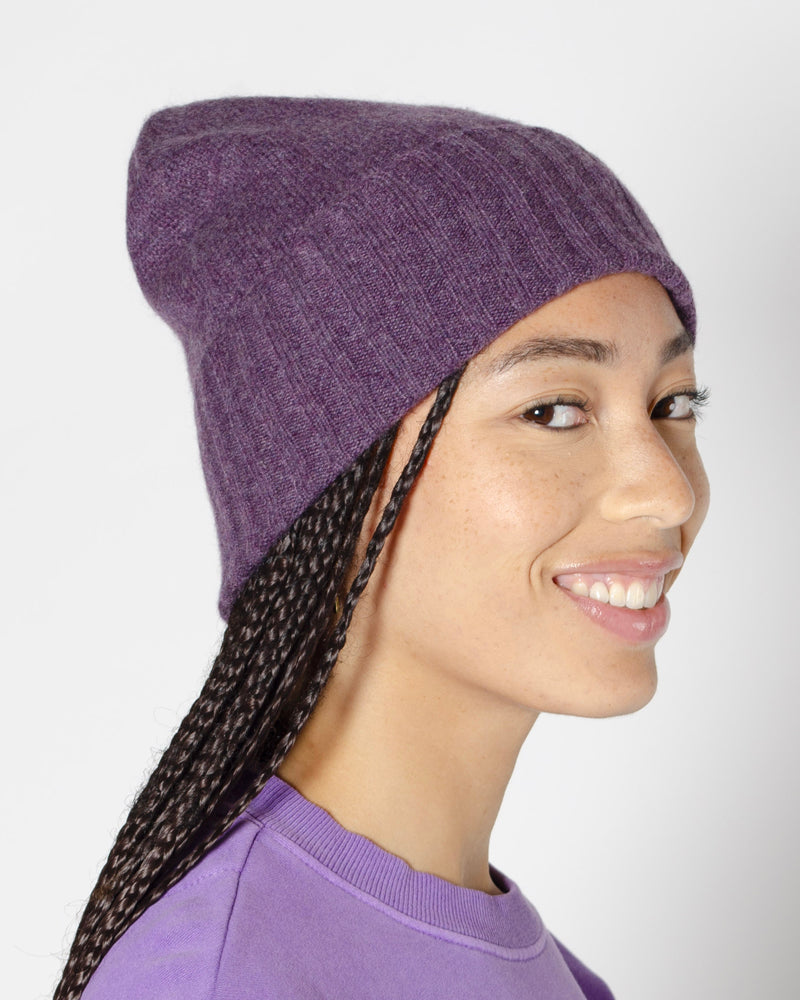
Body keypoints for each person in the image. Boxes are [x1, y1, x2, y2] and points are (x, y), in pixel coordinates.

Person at [54, 96, 710, 1000]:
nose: (669, 491)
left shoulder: (546, 974)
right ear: (335, 481)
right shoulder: (219, 978)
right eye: (554, 410)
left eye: (674, 404)